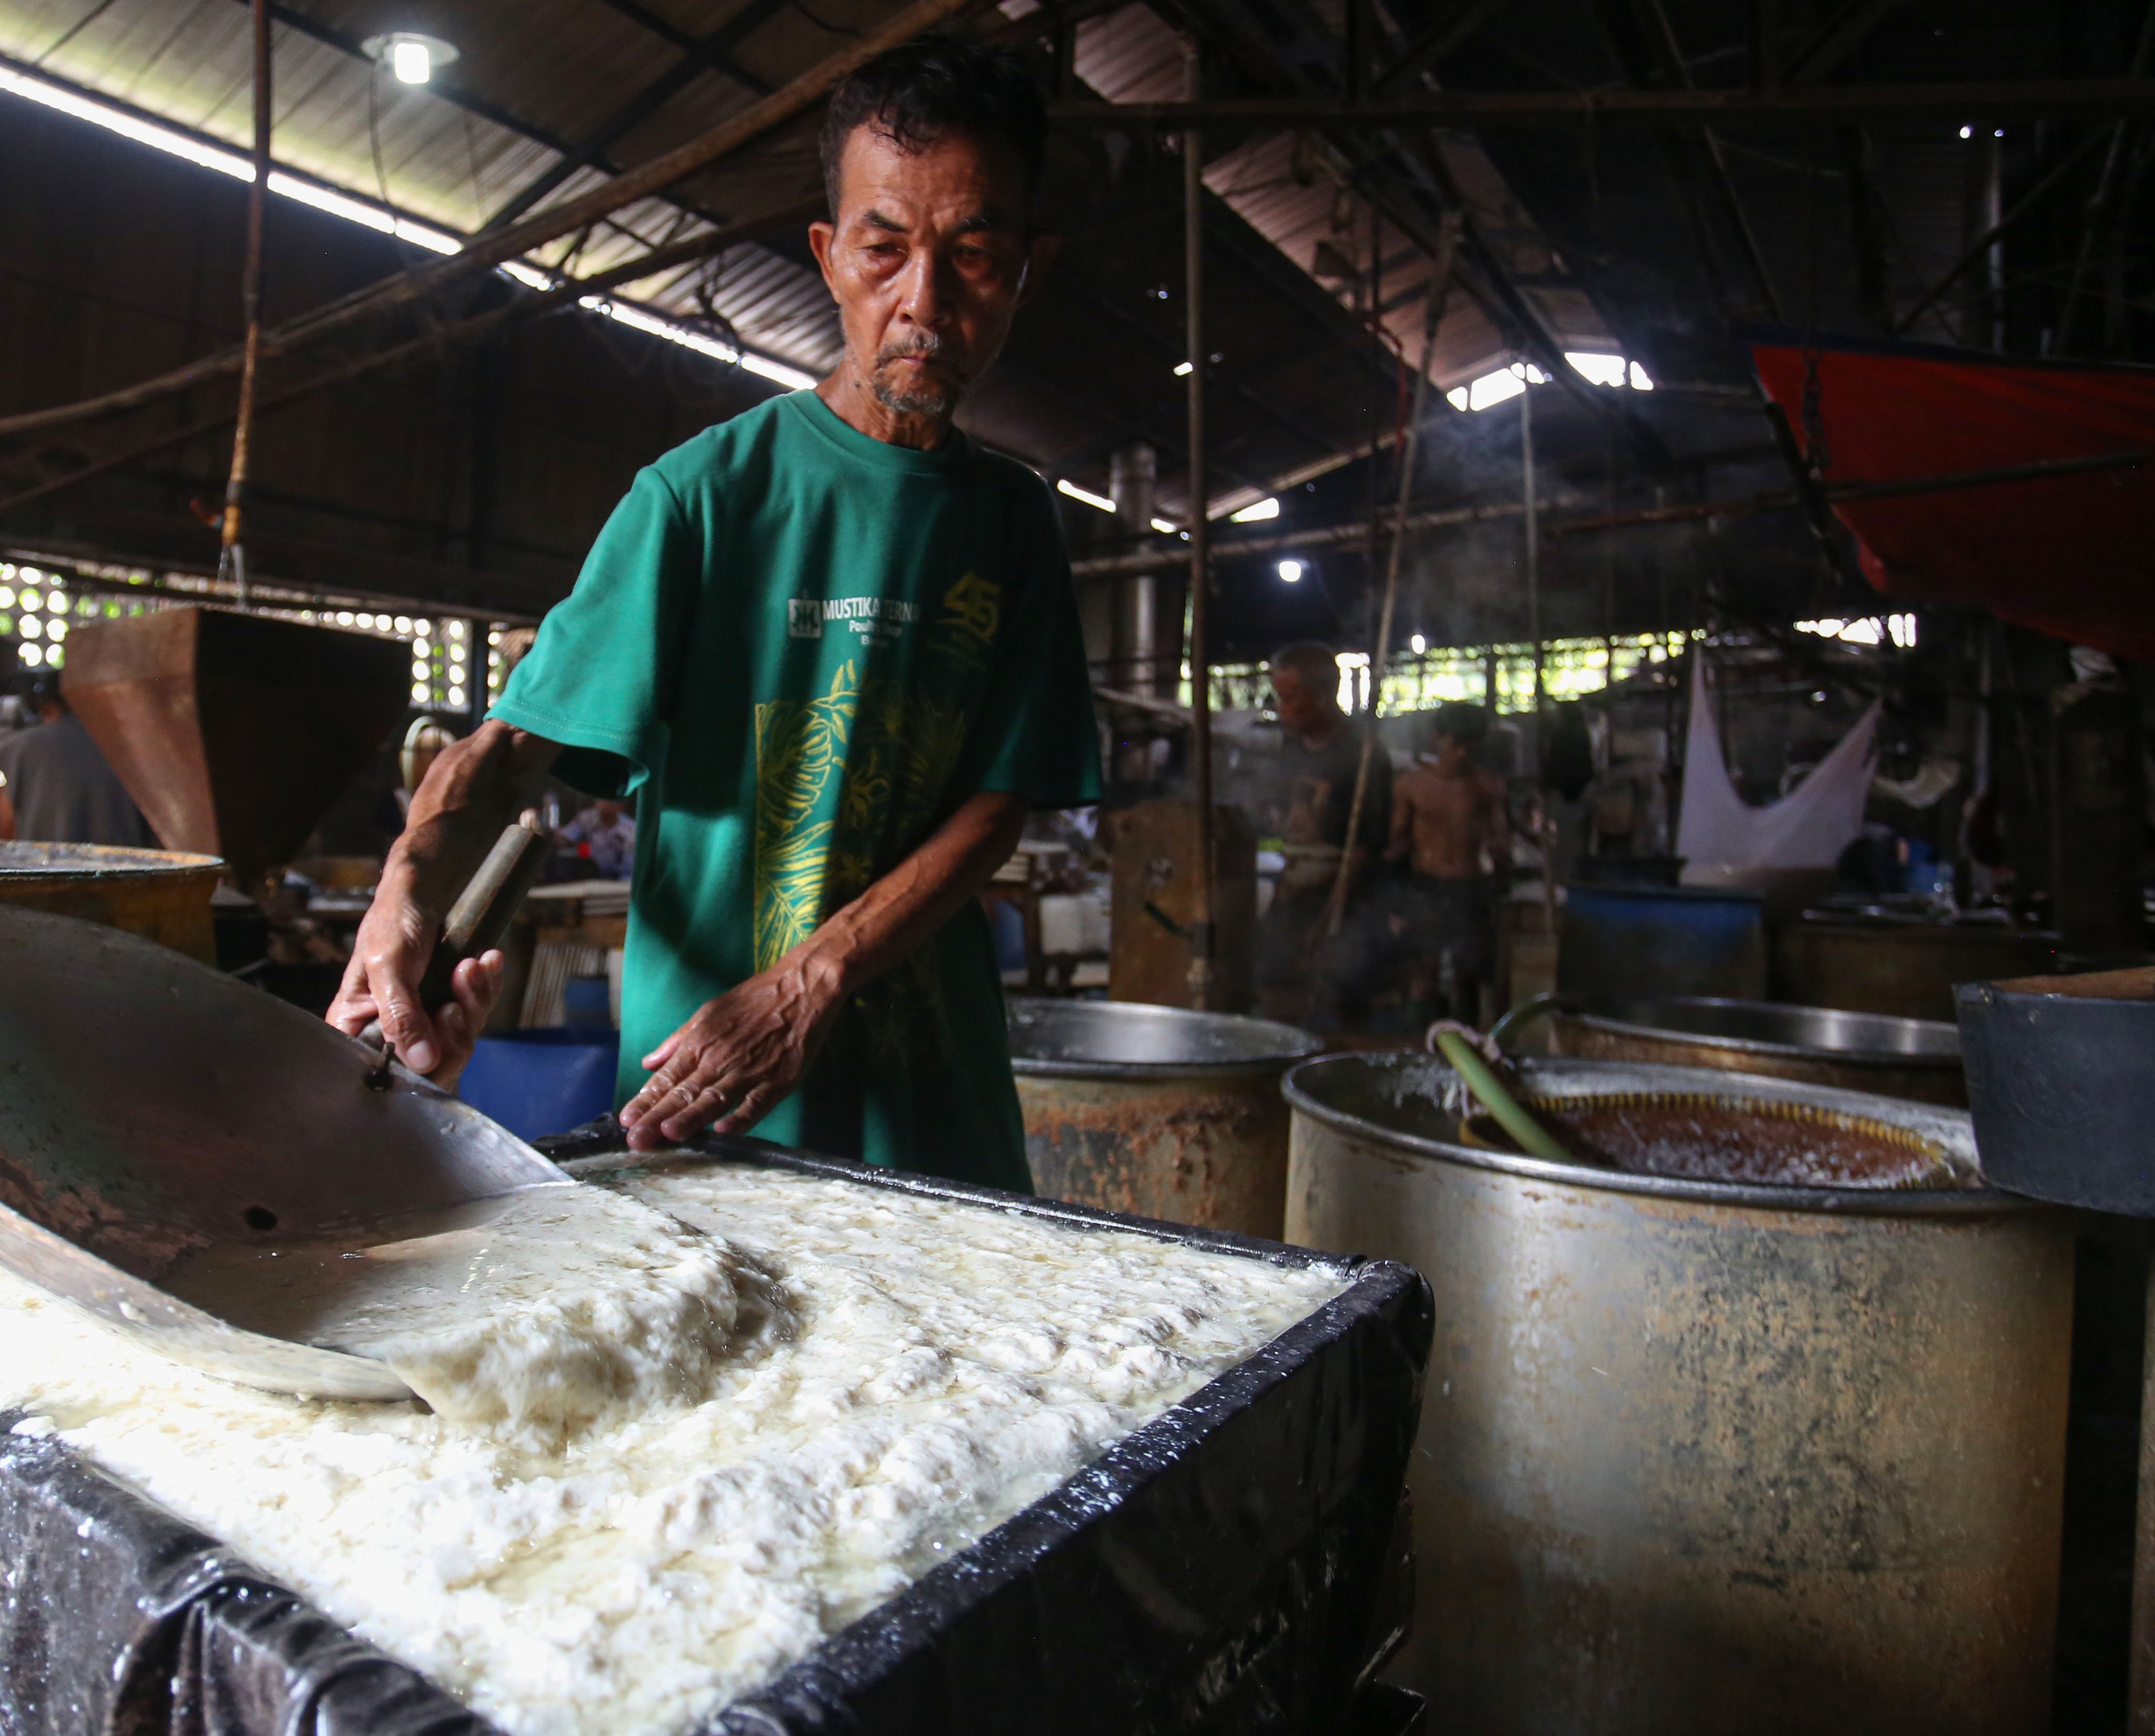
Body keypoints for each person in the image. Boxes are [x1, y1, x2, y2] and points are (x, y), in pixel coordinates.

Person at [332, 32, 1101, 1192]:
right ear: (828, 253)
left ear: (1027, 269)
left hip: (931, 1095)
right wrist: (405, 893)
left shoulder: (1014, 522)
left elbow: (997, 807)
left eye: (975, 254)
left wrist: (813, 977)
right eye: (883, 248)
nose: (923, 302)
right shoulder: (701, 498)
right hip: (708, 1095)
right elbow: (504, 752)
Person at [1253, 642, 1392, 1028]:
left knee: (1340, 988)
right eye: (1279, 698)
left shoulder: (1363, 754)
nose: (1282, 708)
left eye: (1291, 698)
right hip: (1294, 882)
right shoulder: (1292, 747)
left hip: (1345, 890)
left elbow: (1367, 844)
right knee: (1274, 978)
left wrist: (1334, 906)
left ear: (1323, 695)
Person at [1386, 700, 1510, 1020]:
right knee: (1422, 971)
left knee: (1467, 973)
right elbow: (1396, 843)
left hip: (1469, 888)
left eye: (1470, 747)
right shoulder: (1413, 785)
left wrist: (1501, 886)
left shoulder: (1487, 786)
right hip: (1426, 886)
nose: (1462, 755)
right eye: (1455, 745)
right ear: (1437, 739)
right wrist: (1391, 896)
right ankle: (1421, 1040)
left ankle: (1466, 1042)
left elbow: (1499, 841)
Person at [0, 672, 155, 846]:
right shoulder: (134, 746)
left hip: (42, 867)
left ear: (47, 707)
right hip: (123, 867)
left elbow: (6, 824)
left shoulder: (18, 748)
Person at [568, 797, 637, 882]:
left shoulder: (631, 829)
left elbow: (630, 868)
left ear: (621, 806)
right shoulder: (586, 818)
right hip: (590, 876)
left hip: (620, 879)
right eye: (601, 800)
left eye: (609, 802)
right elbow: (567, 835)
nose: (604, 805)